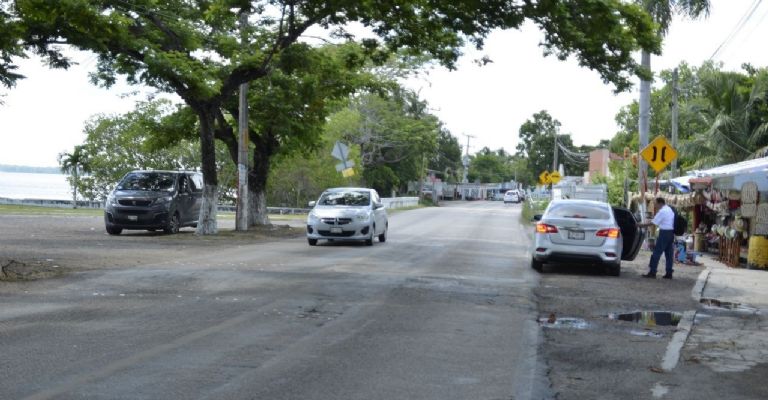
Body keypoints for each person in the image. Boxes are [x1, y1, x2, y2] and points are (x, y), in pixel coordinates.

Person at [639, 197, 675, 279]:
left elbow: (653, 223)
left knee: (656, 253)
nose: (655, 205)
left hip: (664, 233)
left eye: (655, 203)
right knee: (669, 254)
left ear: (660, 203)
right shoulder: (669, 209)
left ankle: (652, 272)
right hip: (671, 233)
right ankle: (669, 273)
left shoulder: (662, 211)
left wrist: (640, 225)